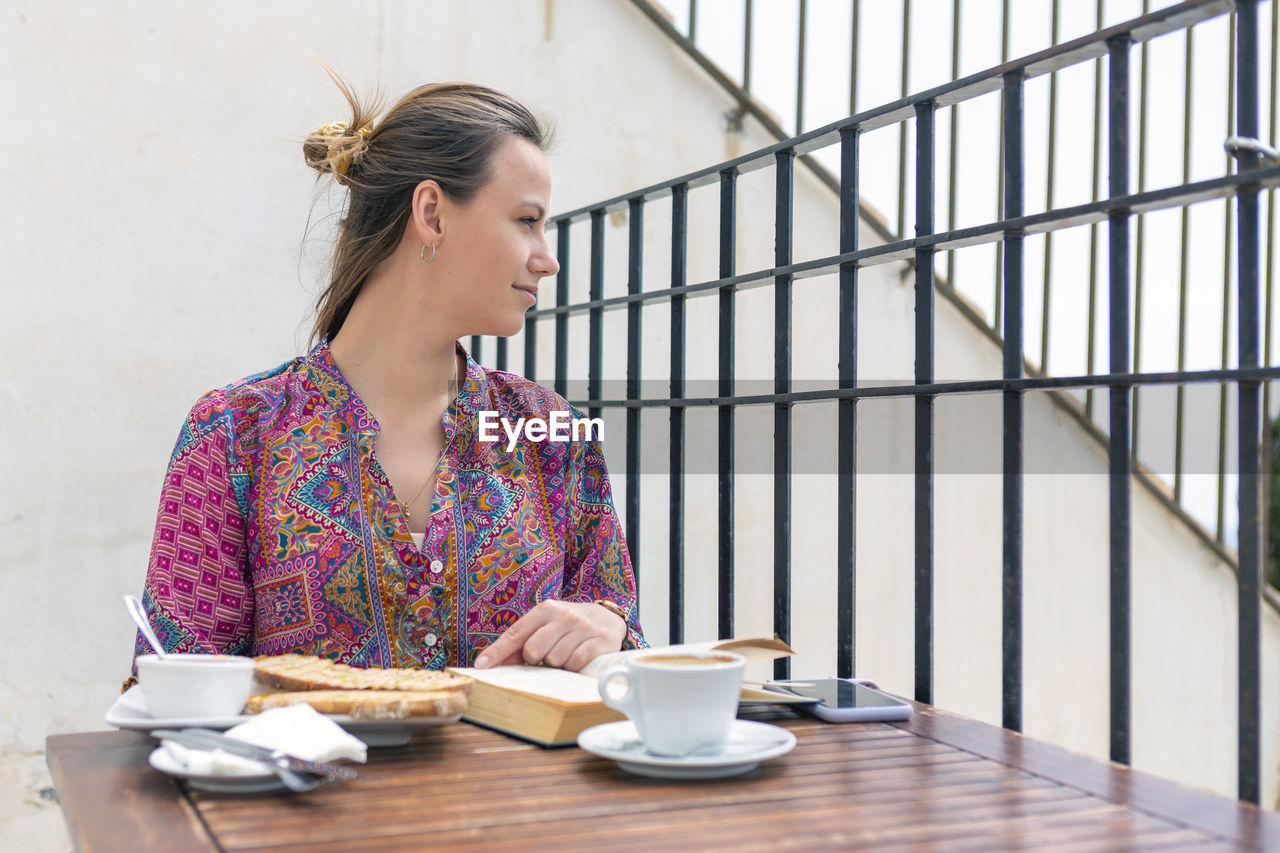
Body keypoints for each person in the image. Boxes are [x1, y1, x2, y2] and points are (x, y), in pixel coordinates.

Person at [125, 74, 644, 687]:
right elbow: (171, 693)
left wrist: (606, 628)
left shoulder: (549, 429)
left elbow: (625, 646)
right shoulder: (236, 433)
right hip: (311, 785)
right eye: (527, 220)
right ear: (431, 213)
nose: (547, 257)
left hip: (519, 786)